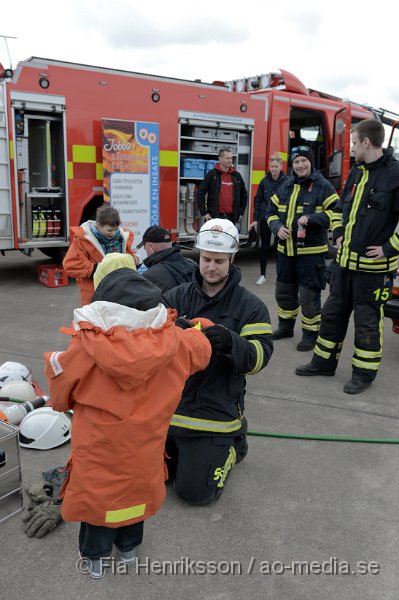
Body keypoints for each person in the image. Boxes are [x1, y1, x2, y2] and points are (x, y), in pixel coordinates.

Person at [44, 256, 211, 578]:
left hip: (98, 450)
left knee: (98, 501)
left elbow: (60, 395)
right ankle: (130, 549)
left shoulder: (85, 347)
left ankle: (95, 558)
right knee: (136, 494)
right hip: (145, 448)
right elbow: (201, 348)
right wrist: (201, 328)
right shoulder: (176, 342)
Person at [163, 218, 273, 505]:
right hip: (170, 408)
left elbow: (260, 357)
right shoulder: (176, 297)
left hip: (215, 413)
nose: (211, 267)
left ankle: (234, 444)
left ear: (232, 259)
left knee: (195, 494)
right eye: (206, 259)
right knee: (156, 476)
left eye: (219, 261)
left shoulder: (250, 306)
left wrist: (232, 342)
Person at [296, 119, 399, 394]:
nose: (352, 148)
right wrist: (338, 232)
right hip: (344, 264)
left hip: (372, 270)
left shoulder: (395, 174)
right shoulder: (356, 172)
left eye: (354, 143)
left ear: (366, 142)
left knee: (366, 324)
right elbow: (341, 208)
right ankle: (323, 363)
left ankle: (363, 374)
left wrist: (390, 249)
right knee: (332, 315)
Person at [266, 146, 339, 352]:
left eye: (303, 161)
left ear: (310, 162)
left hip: (311, 255)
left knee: (308, 297)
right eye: (296, 162)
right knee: (284, 293)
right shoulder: (285, 185)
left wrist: (313, 219)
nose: (300, 165)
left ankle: (310, 334)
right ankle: (286, 327)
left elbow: (336, 214)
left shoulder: (323, 186)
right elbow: (269, 212)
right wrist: (277, 227)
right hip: (285, 253)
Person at [63, 205, 138, 305]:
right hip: (94, 292)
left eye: (116, 229)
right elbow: (71, 264)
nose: (113, 233)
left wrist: (134, 261)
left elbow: (126, 258)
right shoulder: (82, 239)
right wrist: (97, 269)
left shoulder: (123, 238)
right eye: (110, 230)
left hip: (120, 290)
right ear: (98, 225)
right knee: (95, 320)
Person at [250, 154, 288, 285]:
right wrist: (255, 219)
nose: (273, 169)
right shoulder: (264, 181)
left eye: (276, 166)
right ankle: (262, 275)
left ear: (281, 167)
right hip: (265, 217)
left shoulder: (287, 181)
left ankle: (280, 275)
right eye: (271, 166)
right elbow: (258, 200)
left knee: (280, 247)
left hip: (280, 219)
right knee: (264, 247)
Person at [136, 225, 197, 292]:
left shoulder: (149, 277)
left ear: (151, 247)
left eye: (145, 248)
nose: (146, 252)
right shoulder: (193, 265)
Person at [196, 147, 248, 224]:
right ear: (220, 159)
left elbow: (244, 195)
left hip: (232, 218)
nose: (230, 160)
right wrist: (204, 213)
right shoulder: (212, 174)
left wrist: (240, 213)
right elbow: (200, 193)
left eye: (231, 158)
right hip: (215, 217)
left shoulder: (237, 175)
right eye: (227, 158)